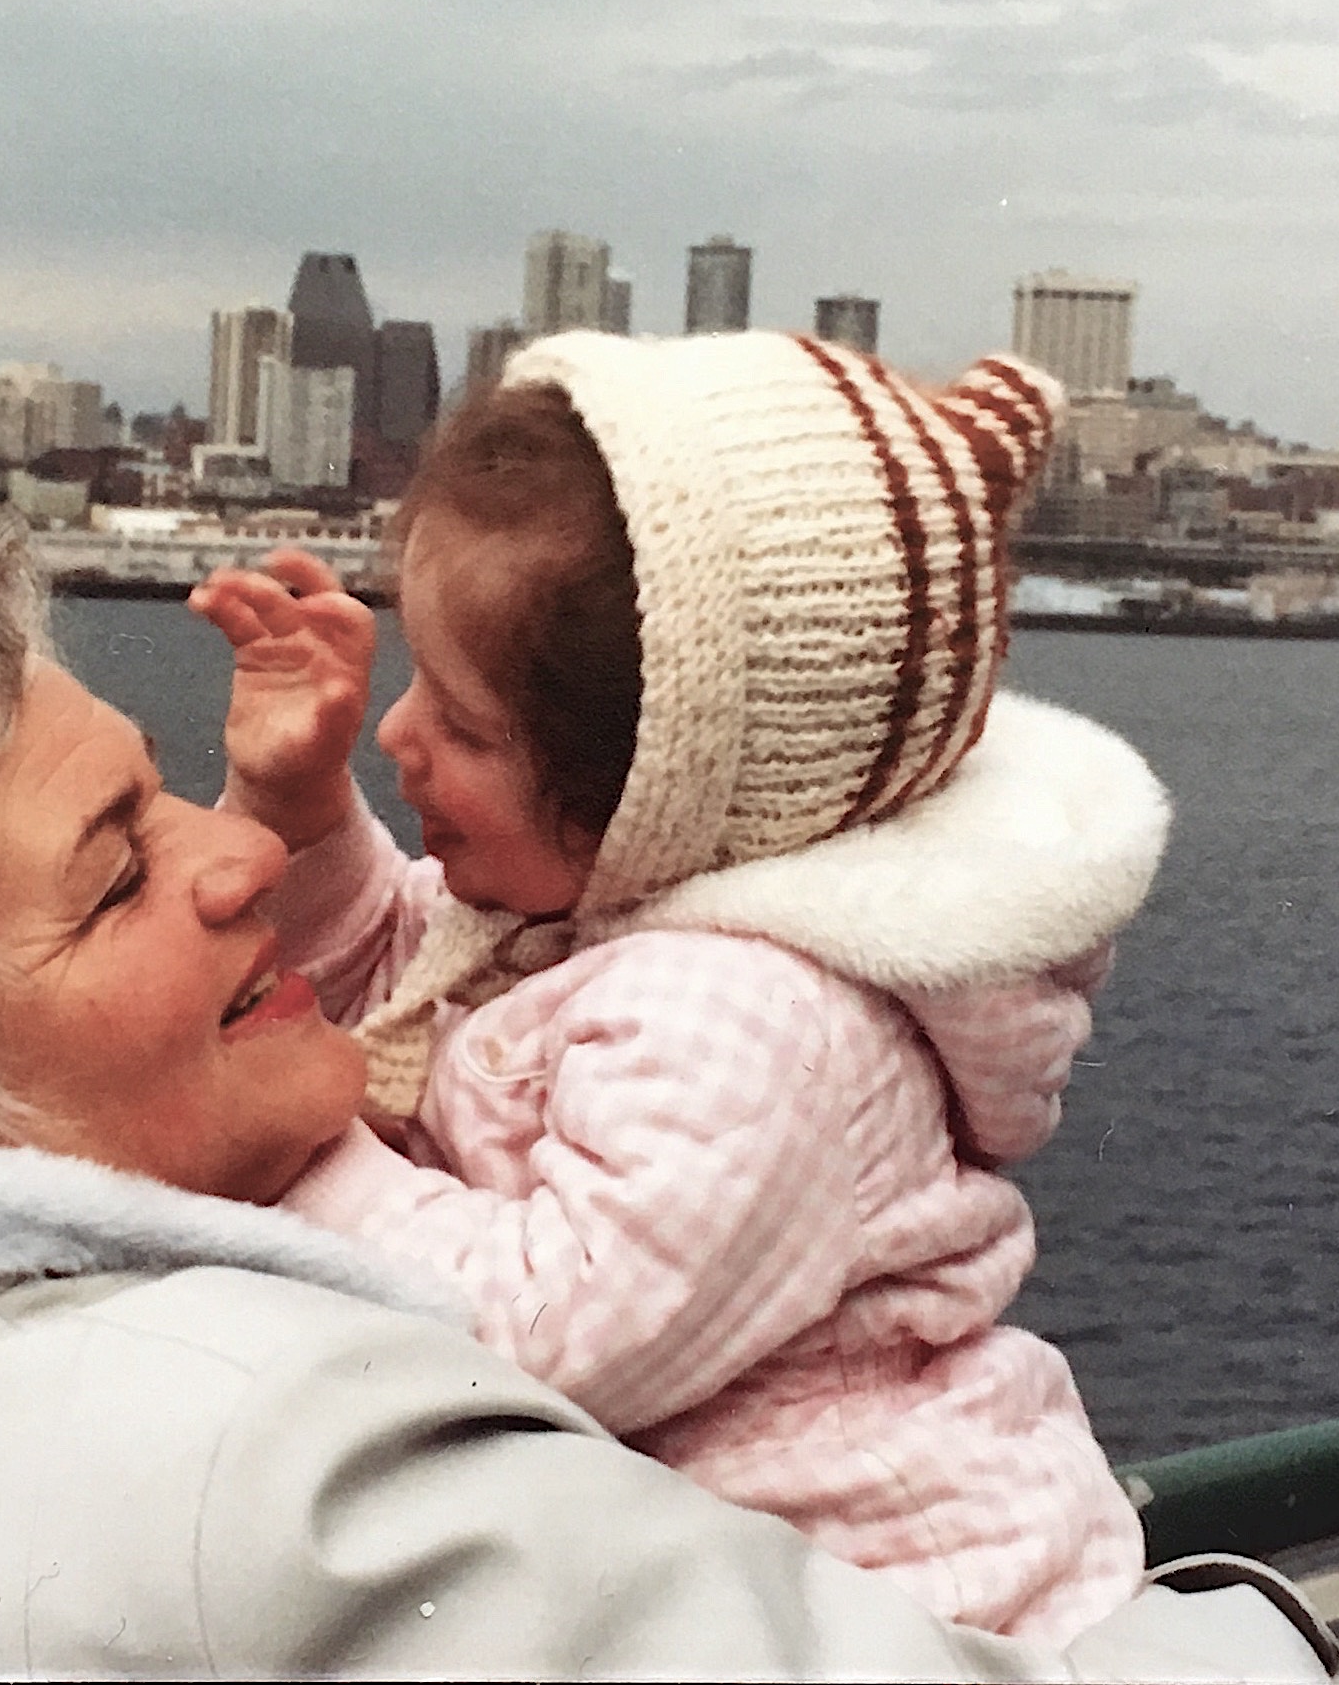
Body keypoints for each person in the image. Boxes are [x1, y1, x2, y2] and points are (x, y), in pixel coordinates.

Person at [0, 466, 1328, 1680]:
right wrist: (1259, 1629)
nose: (230, 847)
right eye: (117, 875)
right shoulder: (284, 1460)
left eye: (163, 791)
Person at [191, 330, 1167, 1644]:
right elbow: (400, 969)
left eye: (465, 725)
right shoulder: (581, 916)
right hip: (739, 1600)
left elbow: (556, 1328)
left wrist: (289, 1156)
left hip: (912, 1623)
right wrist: (304, 814)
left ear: (658, 796)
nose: (396, 734)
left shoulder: (750, 1020)